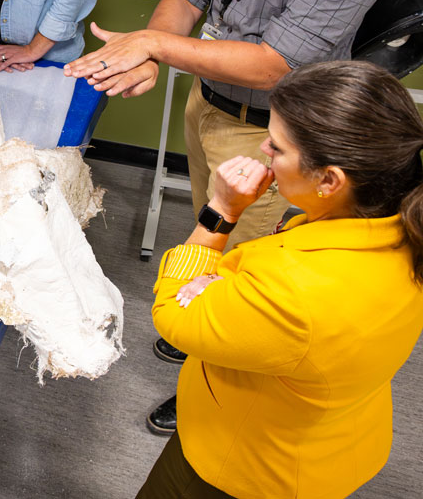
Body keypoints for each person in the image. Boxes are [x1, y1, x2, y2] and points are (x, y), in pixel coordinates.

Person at [62, 0, 393, 433]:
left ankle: (208, 392)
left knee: (247, 280)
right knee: (210, 239)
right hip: (208, 106)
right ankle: (196, 327)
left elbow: (277, 63)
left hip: (277, 138)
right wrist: (151, 45)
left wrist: (154, 48)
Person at [137, 60, 423, 498]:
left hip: (246, 467)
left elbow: (175, 314)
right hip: (332, 437)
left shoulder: (294, 290)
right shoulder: (402, 226)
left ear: (330, 180)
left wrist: (221, 213)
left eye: (277, 147)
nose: (264, 151)